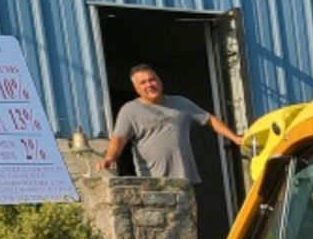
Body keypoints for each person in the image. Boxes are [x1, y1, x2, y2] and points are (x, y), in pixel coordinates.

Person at [97, 64, 243, 192]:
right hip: (153, 182)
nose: (149, 84)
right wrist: (110, 157)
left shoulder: (181, 103)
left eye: (152, 79)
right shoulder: (130, 110)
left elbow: (209, 119)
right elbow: (119, 138)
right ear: (136, 88)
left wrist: (235, 138)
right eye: (143, 83)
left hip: (183, 180)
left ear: (159, 81)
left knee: (186, 222)